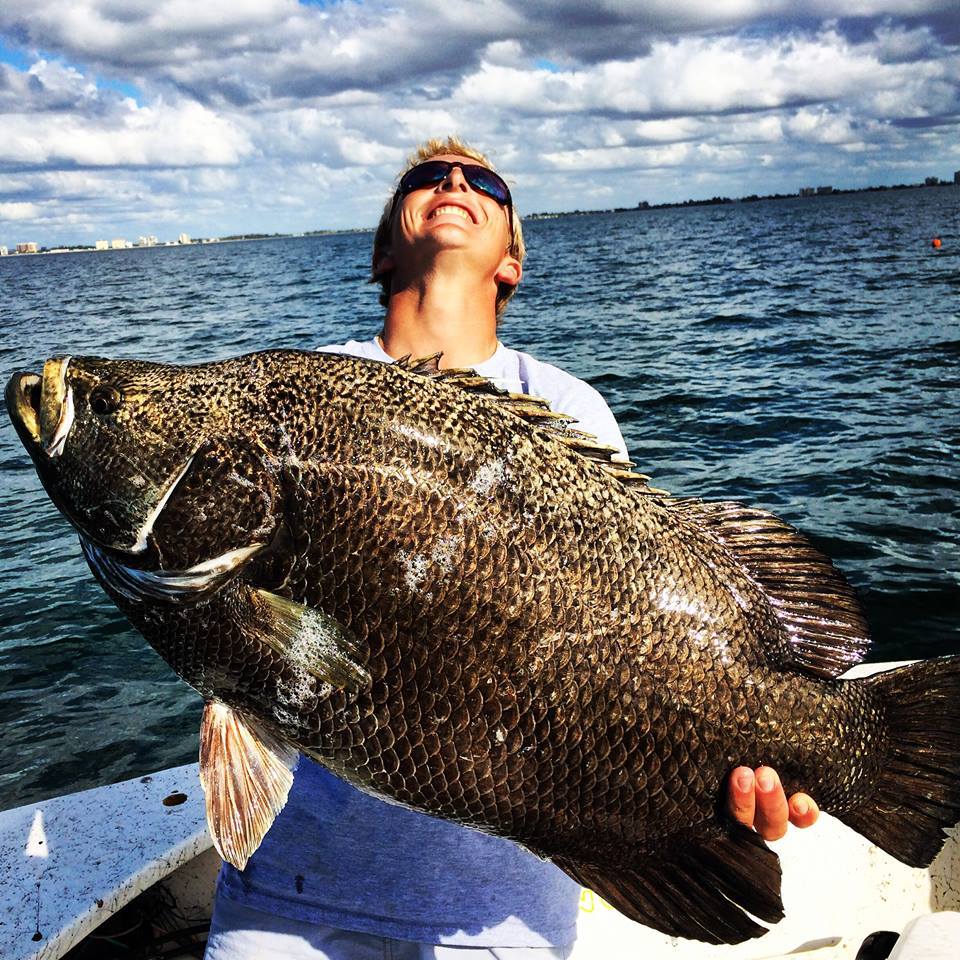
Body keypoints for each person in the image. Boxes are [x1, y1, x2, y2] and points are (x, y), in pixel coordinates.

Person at [204, 137, 819, 959]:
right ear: (386, 248)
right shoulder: (304, 391)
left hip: (504, 914)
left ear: (512, 262)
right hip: (286, 898)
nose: (454, 183)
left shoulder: (567, 406)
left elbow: (642, 630)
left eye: (482, 183)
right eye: (425, 180)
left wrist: (744, 767)